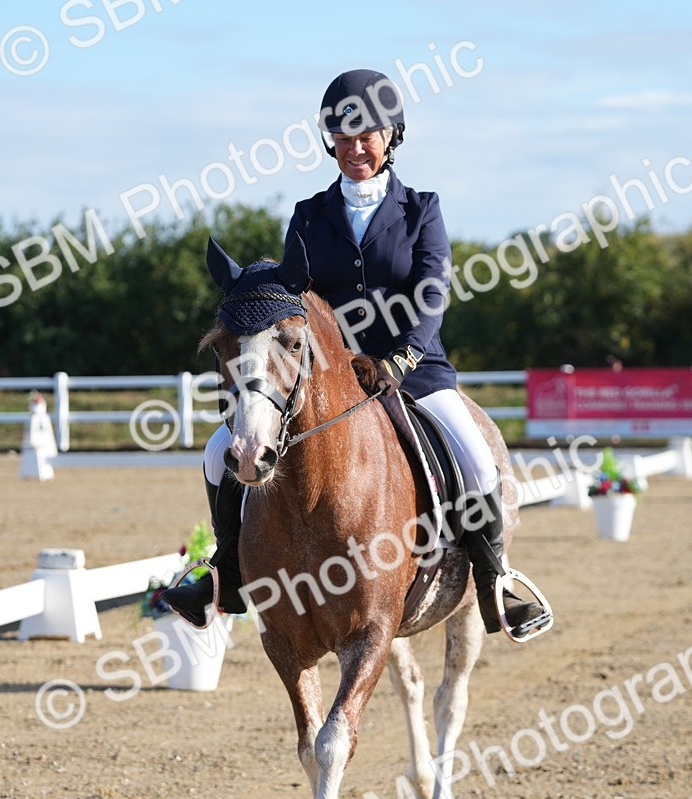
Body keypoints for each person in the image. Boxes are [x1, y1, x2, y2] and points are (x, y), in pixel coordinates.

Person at [164, 69, 552, 640]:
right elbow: (295, 295)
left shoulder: (421, 209)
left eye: (366, 135)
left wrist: (400, 358)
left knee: (475, 458)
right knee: (221, 447)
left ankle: (496, 582)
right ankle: (226, 570)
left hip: (413, 371)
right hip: (328, 377)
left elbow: (432, 291)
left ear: (391, 136)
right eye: (342, 138)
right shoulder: (308, 213)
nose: (355, 148)